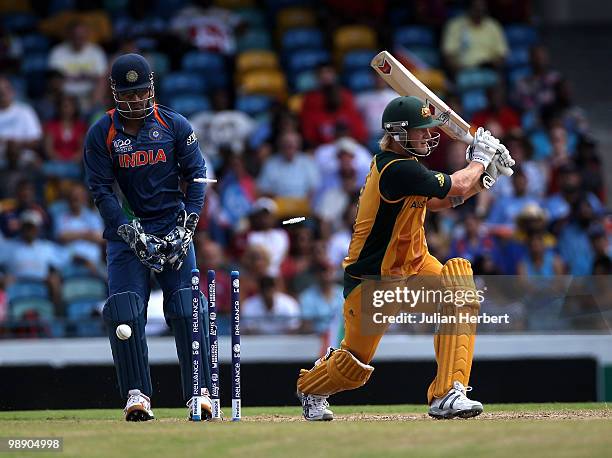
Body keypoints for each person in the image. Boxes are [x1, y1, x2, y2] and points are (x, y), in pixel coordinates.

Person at [295, 95, 514, 421]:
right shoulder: (396, 169)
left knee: (461, 288)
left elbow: (438, 201)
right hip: (374, 281)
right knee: (353, 367)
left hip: (414, 267)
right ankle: (312, 386)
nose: (428, 136)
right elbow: (453, 185)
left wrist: (484, 177)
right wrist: (480, 160)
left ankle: (449, 393)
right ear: (399, 134)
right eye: (421, 131)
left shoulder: (409, 169)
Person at [83, 53, 213, 422]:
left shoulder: (174, 124)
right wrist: (129, 231)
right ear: (114, 94)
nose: (137, 100)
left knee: (188, 306)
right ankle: (137, 395)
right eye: (129, 94)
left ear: (151, 88)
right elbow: (102, 191)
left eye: (142, 92)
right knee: (125, 310)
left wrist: (186, 226)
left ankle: (199, 394)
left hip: (173, 228)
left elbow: (198, 177)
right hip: (126, 235)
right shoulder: (102, 132)